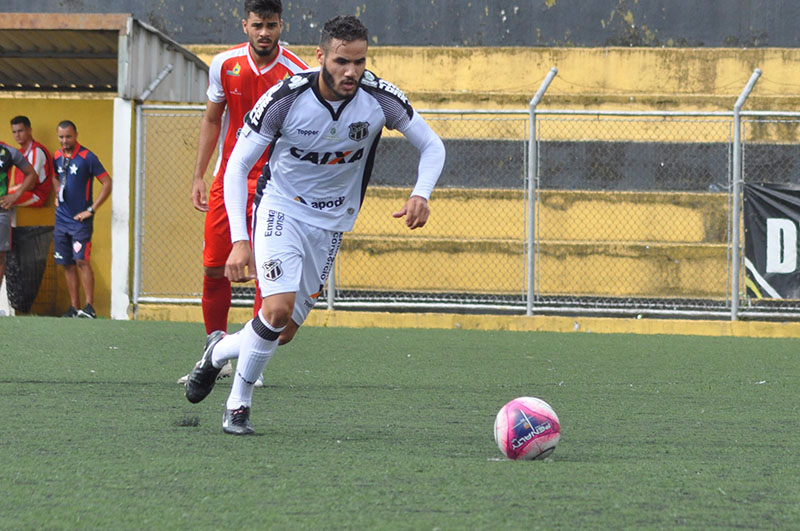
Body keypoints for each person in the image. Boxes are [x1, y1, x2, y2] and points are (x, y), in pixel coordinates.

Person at [184, 15, 446, 435]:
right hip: (280, 210)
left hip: (330, 225)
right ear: (321, 56)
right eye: (342, 61)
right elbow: (236, 167)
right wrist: (239, 239)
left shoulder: (379, 98)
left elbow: (432, 145)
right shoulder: (286, 99)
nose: (352, 72)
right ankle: (238, 405)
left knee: (282, 332)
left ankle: (216, 354)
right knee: (275, 309)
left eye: (359, 62)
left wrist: (422, 193)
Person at [181, 0, 309, 385]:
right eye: (258, 25)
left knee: (267, 272)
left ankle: (252, 354)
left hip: (276, 183)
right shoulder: (224, 64)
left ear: (281, 26)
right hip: (229, 179)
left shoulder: (299, 73)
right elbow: (211, 118)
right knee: (213, 267)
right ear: (245, 26)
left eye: (271, 25)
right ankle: (214, 349)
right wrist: (199, 174)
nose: (264, 32)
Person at [52, 120, 112, 318]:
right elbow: (54, 177)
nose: (64, 140)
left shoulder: (88, 157)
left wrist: (91, 210)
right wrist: (57, 195)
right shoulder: (57, 156)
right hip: (61, 219)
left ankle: (89, 307)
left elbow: (106, 182)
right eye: (61, 137)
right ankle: (74, 307)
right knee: (67, 263)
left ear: (76, 135)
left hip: (80, 221)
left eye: (68, 136)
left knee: (81, 261)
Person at [0, 142, 37, 294]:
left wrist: (15, 195)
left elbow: (31, 174)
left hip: (1, 210)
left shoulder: (8, 152)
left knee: (0, 255)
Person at [9, 116, 55, 208]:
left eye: (20, 131)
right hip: (21, 193)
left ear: (29, 130)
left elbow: (30, 184)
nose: (17, 135)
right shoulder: (20, 152)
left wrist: (9, 190)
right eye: (14, 132)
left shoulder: (36, 151)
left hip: (36, 196)